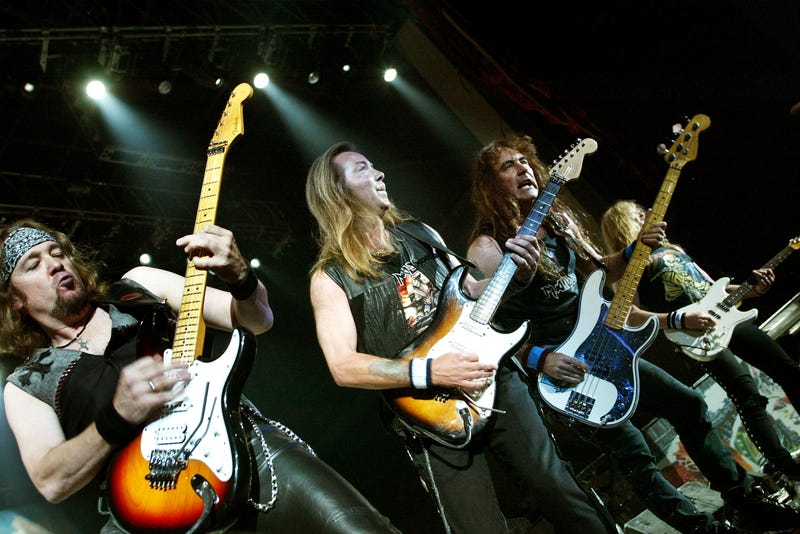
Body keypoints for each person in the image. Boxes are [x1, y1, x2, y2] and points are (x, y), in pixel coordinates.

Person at [465, 134, 800, 533]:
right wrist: (542, 360)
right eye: (508, 165)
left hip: (607, 350)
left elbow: (599, 272)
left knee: (689, 405)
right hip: (564, 371)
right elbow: (484, 330)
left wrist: (632, 250)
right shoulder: (488, 247)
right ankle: (703, 530)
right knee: (633, 450)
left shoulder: (556, 227)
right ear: (490, 184)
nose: (522, 168)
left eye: (524, 160)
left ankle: (745, 502)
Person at [0, 218, 400, 533]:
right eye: (34, 265)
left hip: (245, 449)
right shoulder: (27, 384)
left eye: (57, 253)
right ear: (15, 300)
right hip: (147, 504)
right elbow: (52, 482)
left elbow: (257, 320)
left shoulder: (139, 288)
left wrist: (241, 276)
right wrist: (117, 415)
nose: (54, 264)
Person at [305, 141, 619, 534]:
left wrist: (517, 274)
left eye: (375, 165)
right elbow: (343, 366)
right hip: (429, 412)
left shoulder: (419, 234)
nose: (379, 173)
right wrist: (432, 371)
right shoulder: (331, 277)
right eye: (362, 169)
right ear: (336, 192)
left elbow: (470, 291)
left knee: (556, 486)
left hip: (491, 375)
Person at [600, 199, 800, 495]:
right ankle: (788, 468)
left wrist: (752, 289)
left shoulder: (674, 249)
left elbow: (712, 288)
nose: (647, 214)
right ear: (623, 223)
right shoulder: (630, 265)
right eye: (637, 213)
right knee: (746, 393)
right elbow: (630, 314)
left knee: (787, 369)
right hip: (696, 336)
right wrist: (679, 320)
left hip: (727, 317)